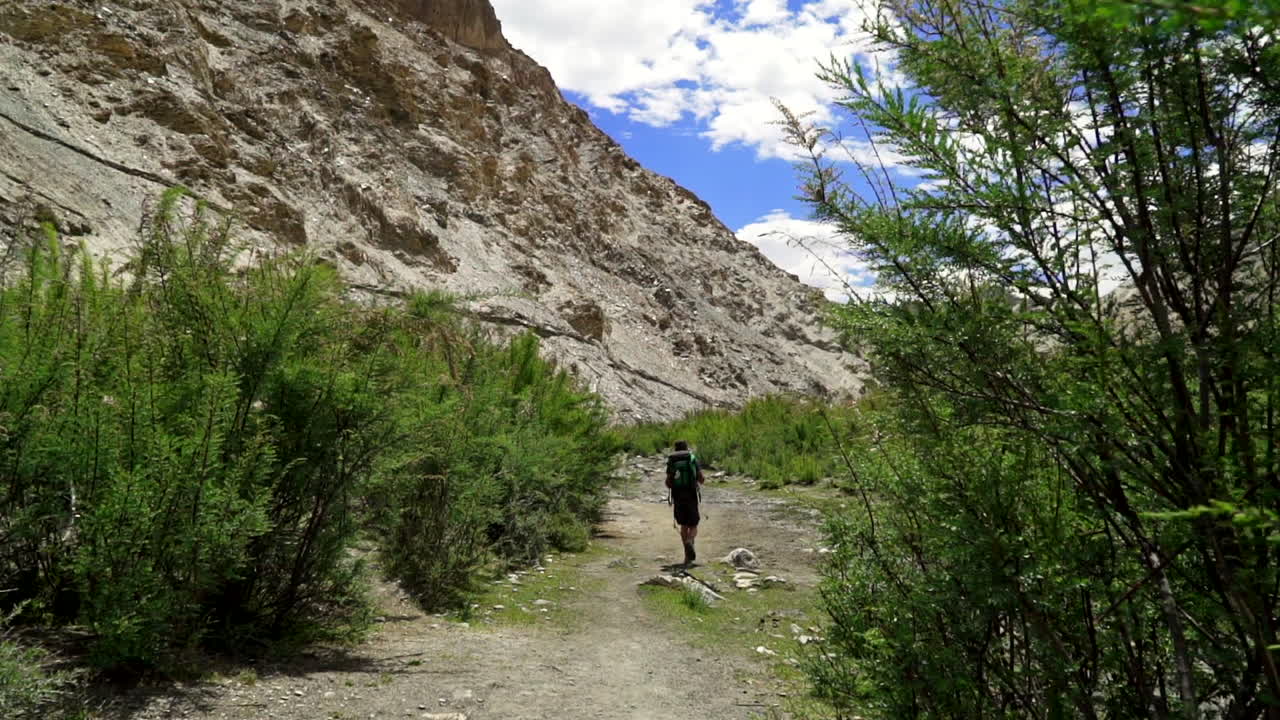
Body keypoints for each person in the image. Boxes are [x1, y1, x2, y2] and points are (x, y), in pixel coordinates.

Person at [665, 440, 705, 566]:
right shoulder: (691, 458)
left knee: (683, 525)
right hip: (691, 495)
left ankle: (687, 557)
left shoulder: (672, 460)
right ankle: (690, 540)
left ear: (675, 449)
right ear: (686, 447)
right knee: (693, 525)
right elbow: (701, 478)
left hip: (678, 496)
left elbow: (668, 482)